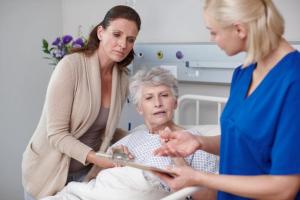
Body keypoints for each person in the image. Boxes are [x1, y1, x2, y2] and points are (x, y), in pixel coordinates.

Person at [154, 0, 300, 199]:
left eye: (213, 32)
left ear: (239, 29)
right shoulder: (243, 74)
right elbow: (245, 142)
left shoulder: (293, 81)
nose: (211, 38)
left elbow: (284, 188)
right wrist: (198, 141)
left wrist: (199, 177)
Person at [41, 67, 219, 200]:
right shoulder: (130, 138)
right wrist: (110, 162)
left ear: (175, 103)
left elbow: (208, 197)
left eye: (164, 95)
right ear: (139, 108)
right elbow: (93, 182)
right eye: (149, 98)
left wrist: (177, 156)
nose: (158, 103)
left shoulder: (195, 142)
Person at [22, 5, 141, 200]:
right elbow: (57, 134)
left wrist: (134, 139)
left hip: (85, 175)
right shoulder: (71, 66)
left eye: (130, 40)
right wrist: (99, 158)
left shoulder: (122, 78)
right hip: (47, 171)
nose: (123, 44)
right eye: (117, 34)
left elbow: (102, 127)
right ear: (101, 32)